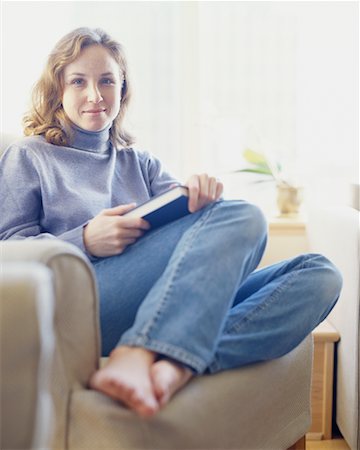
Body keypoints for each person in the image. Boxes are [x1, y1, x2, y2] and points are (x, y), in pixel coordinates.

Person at [0, 27, 343, 418]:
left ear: (122, 89)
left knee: (321, 274)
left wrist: (200, 193)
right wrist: (85, 240)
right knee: (245, 214)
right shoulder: (28, 156)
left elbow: (211, 230)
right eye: (78, 81)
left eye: (107, 81)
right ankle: (141, 349)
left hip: (165, 302)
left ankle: (173, 366)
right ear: (58, 88)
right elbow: (9, 251)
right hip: (86, 302)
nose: (95, 95)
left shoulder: (139, 161)